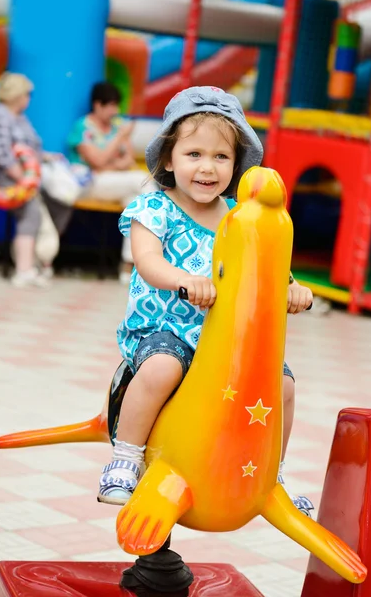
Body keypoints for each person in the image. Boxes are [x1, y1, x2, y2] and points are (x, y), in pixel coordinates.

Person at [98, 86, 314, 513]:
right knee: (162, 367)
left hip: (226, 341)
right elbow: (147, 261)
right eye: (193, 154)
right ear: (168, 159)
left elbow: (270, 268)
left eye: (220, 157)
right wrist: (183, 279)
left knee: (283, 384)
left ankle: (273, 472)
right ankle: (125, 457)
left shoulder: (239, 218)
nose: (207, 167)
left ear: (235, 166)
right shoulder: (155, 209)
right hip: (166, 329)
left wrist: (293, 289)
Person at [67, 82, 157, 284]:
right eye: (112, 106)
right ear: (98, 105)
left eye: (117, 106)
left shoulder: (116, 127)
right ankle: (161, 219)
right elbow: (96, 162)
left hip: (114, 182)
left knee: (136, 205)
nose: (115, 111)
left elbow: (129, 160)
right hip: (89, 184)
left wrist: (110, 162)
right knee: (140, 179)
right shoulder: (82, 127)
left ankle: (128, 265)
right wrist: (118, 141)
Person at [0, 72, 73, 287]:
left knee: (58, 205)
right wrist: (25, 179)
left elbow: (31, 149)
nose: (29, 98)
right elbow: (1, 153)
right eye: (27, 94)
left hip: (30, 178)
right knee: (30, 214)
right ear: (17, 94)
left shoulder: (20, 117)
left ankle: (35, 263)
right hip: (8, 180)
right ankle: (24, 270)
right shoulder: (2, 115)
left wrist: (47, 157)